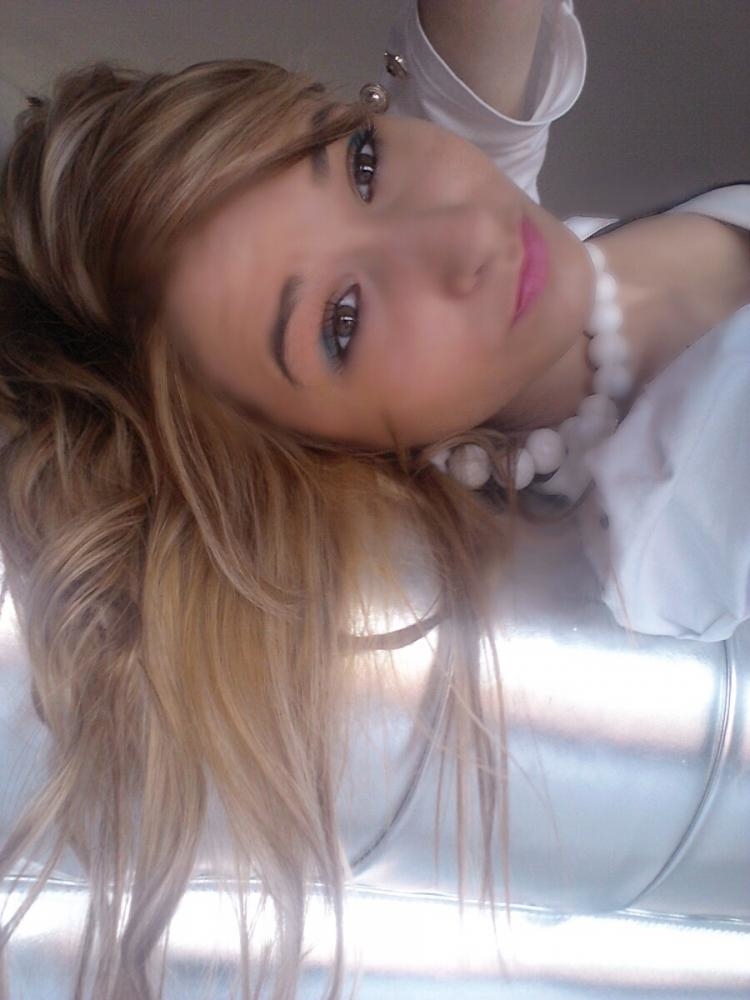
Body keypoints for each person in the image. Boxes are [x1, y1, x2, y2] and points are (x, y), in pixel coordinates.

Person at [0, 2, 747, 998]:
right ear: (321, 454)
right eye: (341, 323)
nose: (461, 235)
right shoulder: (694, 514)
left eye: (356, 162)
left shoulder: (495, 303)